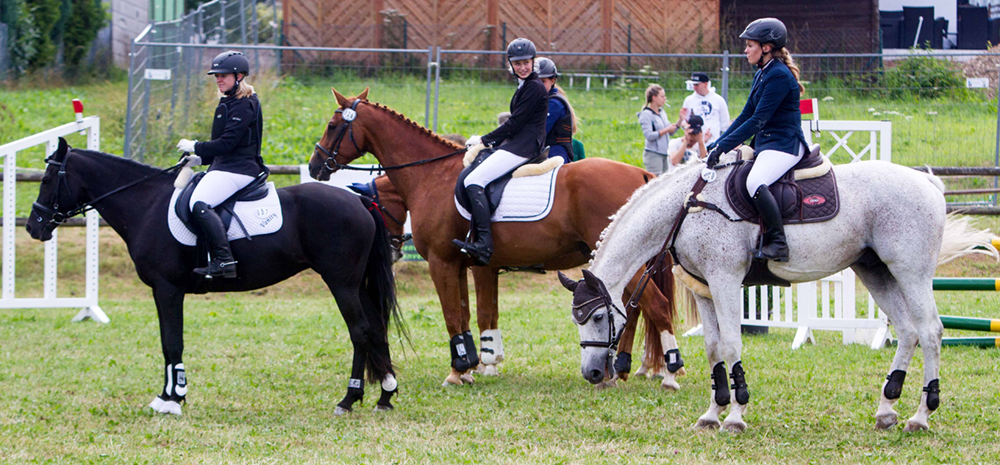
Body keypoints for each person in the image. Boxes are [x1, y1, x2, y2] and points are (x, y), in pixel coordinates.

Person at [706, 18, 808, 263]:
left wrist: (724, 146)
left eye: (749, 45)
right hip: (767, 145)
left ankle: (779, 243)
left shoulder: (779, 76)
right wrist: (718, 144)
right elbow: (745, 115)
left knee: (755, 182)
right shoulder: (763, 73)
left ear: (766, 47)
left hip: (785, 145)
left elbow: (759, 120)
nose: (745, 50)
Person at [455, 38, 548, 266]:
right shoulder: (525, 86)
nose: (523, 67)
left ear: (533, 62)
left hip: (523, 146)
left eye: (526, 63)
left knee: (474, 180)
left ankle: (484, 243)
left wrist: (484, 141)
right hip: (518, 143)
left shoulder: (534, 87)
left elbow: (515, 123)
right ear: (511, 65)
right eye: (518, 64)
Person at [175, 50, 266, 279]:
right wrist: (199, 159)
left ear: (239, 76)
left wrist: (195, 146)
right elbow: (226, 147)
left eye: (224, 75)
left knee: (200, 203)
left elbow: (226, 144)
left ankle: (224, 260)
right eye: (216, 75)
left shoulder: (244, 104)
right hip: (226, 166)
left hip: (240, 169)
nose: (218, 79)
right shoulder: (229, 102)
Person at [637, 84, 688, 176]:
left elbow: (671, 132)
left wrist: (680, 120)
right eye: (662, 96)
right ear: (654, 97)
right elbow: (648, 136)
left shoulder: (662, 112)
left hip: (664, 153)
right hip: (654, 154)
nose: (664, 99)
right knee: (655, 182)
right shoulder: (646, 114)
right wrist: (666, 130)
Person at [536, 57, 577, 164]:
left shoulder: (554, 104)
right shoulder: (539, 101)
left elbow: (538, 132)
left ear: (552, 80)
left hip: (554, 155)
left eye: (543, 82)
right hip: (541, 152)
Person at [682, 72, 730, 145]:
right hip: (694, 143)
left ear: (705, 84)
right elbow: (684, 121)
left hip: (713, 141)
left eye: (697, 85)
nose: (694, 87)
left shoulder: (718, 100)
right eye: (693, 84)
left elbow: (725, 122)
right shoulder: (689, 100)